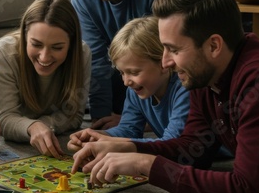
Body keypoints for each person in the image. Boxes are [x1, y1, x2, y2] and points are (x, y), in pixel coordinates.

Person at [72, 0, 259, 193]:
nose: (165, 61)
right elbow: (193, 150)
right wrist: (130, 147)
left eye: (174, 50)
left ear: (214, 46)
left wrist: (146, 165)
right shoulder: (203, 74)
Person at [70, 0, 180, 131]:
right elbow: (96, 60)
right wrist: (101, 122)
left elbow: (172, 57)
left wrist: (144, 120)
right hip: (119, 73)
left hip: (160, 73)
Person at [0, 0, 91, 158]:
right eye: (36, 44)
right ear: (24, 37)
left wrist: (44, 124)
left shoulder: (82, 53)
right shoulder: (5, 49)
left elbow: (75, 115)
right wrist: (32, 127)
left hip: (11, 72)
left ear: (72, 44)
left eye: (57, 47)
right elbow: (6, 119)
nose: (44, 57)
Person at [67, 16, 189, 152]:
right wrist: (97, 136)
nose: (126, 82)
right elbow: (129, 129)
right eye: (122, 73)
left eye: (134, 72)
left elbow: (171, 142)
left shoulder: (184, 90)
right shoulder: (136, 90)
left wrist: (113, 143)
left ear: (164, 63)